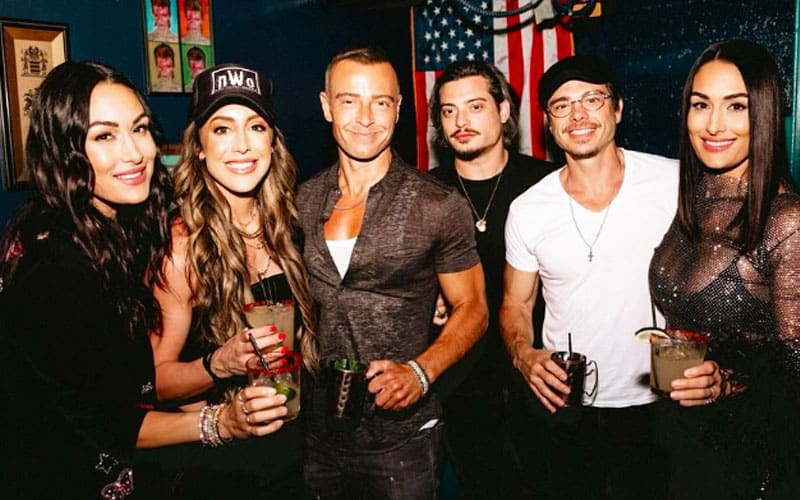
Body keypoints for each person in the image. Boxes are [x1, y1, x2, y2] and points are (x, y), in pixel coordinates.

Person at [0, 61, 275, 499]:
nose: (134, 153)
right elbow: (109, 421)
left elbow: (131, 378)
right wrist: (222, 421)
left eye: (140, 129)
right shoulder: (54, 269)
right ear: (64, 151)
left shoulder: (115, 232)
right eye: (104, 136)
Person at [297, 46, 488, 500]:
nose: (365, 118)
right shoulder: (300, 200)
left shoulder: (438, 205)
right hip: (316, 436)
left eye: (380, 102)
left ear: (398, 109)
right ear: (326, 106)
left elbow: (474, 307)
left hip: (402, 441)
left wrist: (421, 372)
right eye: (349, 101)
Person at [499, 55, 678, 499]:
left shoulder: (672, 183)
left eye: (592, 99)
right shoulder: (528, 209)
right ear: (548, 123)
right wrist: (524, 356)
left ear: (617, 109)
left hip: (659, 405)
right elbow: (516, 304)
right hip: (567, 405)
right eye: (562, 105)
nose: (577, 114)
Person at [146, 63, 317, 496]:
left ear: (272, 142)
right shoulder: (182, 246)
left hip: (293, 458)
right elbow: (156, 380)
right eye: (222, 129)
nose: (242, 145)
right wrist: (220, 362)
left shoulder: (289, 227)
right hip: (221, 472)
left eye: (256, 127)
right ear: (199, 148)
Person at [649, 39, 800, 499]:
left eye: (736, 106)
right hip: (681, 442)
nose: (714, 124)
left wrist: (727, 383)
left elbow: (796, 369)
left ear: (765, 112)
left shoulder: (786, 221)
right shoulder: (698, 197)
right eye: (701, 105)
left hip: (749, 458)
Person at [427, 60, 554, 499]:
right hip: (460, 384)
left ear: (503, 111)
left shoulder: (547, 185)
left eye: (475, 106)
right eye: (449, 111)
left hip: (538, 376)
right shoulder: (425, 194)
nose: (460, 121)